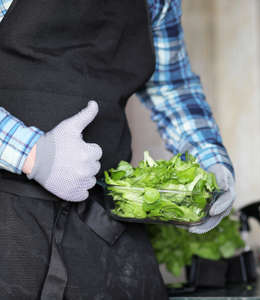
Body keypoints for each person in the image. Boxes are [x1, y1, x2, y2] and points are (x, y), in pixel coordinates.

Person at [0, 0, 235, 299]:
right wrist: (32, 154)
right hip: (9, 227)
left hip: (109, 225)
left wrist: (211, 162)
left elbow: (172, 86)